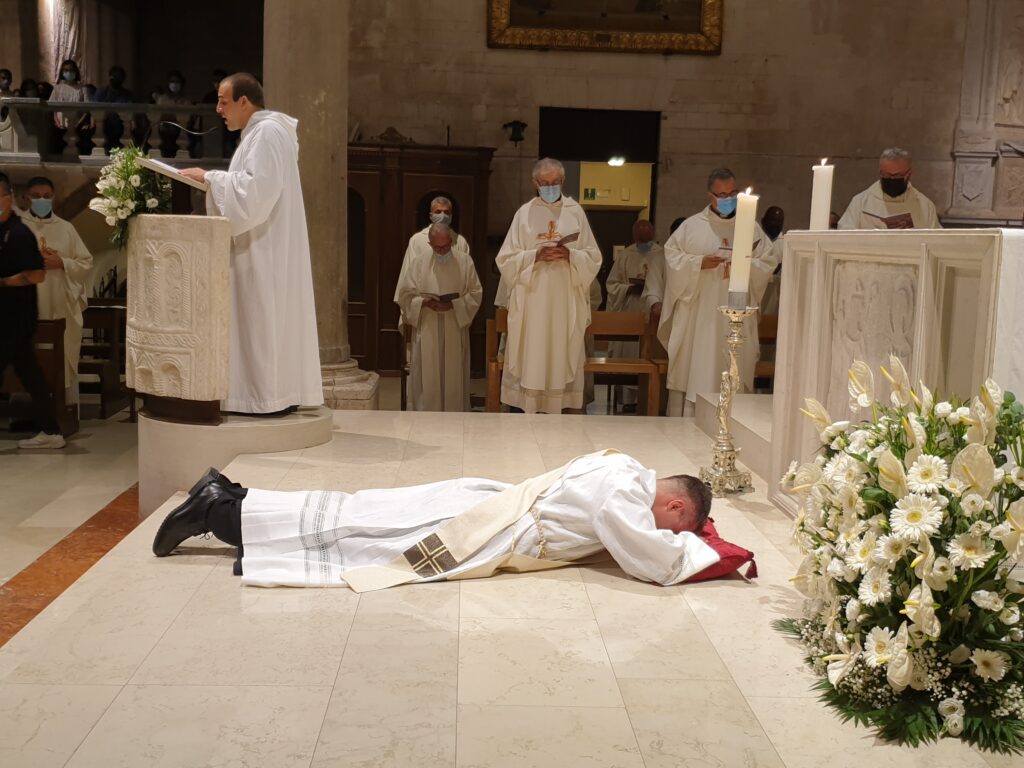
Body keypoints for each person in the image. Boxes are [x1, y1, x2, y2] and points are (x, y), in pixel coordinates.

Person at [151, 450, 720, 590]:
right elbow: (651, 561)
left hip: (493, 504)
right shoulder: (624, 496)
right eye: (673, 525)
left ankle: (232, 499)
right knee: (367, 539)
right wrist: (704, 551)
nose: (663, 531)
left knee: (358, 513)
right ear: (674, 505)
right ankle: (219, 511)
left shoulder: (623, 464)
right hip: (490, 527)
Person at [179, 73, 323, 416]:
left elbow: (256, 193)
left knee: (261, 320)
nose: (218, 109)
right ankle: (266, 394)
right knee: (263, 321)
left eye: (223, 101)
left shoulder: (268, 133)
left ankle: (263, 397)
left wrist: (209, 177)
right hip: (261, 244)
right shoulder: (262, 133)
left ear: (244, 101)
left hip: (262, 247)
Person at [654, 168, 777, 416]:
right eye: (722, 195)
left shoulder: (750, 228)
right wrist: (698, 263)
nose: (728, 199)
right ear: (710, 196)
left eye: (732, 193)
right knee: (698, 364)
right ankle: (690, 420)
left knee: (733, 365)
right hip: (700, 317)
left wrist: (743, 265)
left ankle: (732, 422)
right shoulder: (691, 227)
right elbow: (672, 258)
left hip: (735, 311)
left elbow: (768, 261)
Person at [496, 157, 602, 413]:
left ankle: (559, 406)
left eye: (555, 182)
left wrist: (570, 255)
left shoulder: (576, 213)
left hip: (564, 299)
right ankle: (529, 405)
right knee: (533, 350)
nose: (550, 187)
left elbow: (593, 257)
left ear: (563, 181)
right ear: (535, 183)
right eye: (544, 183)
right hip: (532, 299)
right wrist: (535, 255)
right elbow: (505, 259)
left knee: (560, 348)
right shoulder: (524, 214)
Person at [0, 175, 65, 449]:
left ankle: (52, 431)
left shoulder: (19, 233)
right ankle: (51, 431)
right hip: (6, 318)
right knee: (30, 373)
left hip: (15, 318)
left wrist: (7, 282)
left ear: (8, 198)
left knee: (28, 372)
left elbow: (38, 274)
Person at [394, 222, 482, 411]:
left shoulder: (465, 261)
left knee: (453, 373)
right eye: (437, 248)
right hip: (427, 325)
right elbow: (405, 295)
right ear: (430, 244)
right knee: (428, 372)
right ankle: (425, 413)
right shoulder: (419, 263)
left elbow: (476, 293)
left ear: (451, 241)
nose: (441, 252)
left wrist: (454, 304)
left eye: (445, 247)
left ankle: (454, 413)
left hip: (454, 324)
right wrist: (423, 302)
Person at [21, 176, 93, 406]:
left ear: (54, 197)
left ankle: (63, 408)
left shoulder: (66, 228)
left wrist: (62, 262)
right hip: (25, 305)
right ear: (26, 198)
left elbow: (85, 262)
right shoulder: (17, 227)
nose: (42, 200)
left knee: (60, 355)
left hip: (60, 305)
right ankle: (23, 410)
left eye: (46, 196)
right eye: (36, 196)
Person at [606, 219, 663, 411]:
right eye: (640, 235)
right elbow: (612, 284)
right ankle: (629, 400)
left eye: (646, 235)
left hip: (652, 311)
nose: (643, 239)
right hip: (631, 308)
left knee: (650, 352)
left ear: (653, 234)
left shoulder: (661, 255)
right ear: (634, 235)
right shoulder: (625, 255)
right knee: (629, 352)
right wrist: (629, 288)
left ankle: (649, 398)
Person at [838, 147, 941, 230]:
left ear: (909, 174)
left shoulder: (925, 206)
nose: (892, 179)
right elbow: (844, 235)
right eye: (887, 175)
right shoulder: (860, 202)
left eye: (897, 176)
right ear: (880, 172)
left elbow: (936, 241)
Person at [94, 65, 136, 152]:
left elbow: (131, 113)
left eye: (119, 77)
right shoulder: (101, 92)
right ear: (109, 77)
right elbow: (95, 110)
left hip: (120, 126)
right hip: (105, 125)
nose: (116, 79)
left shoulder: (127, 95)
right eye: (114, 76)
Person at [759, 206, 785, 316]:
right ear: (763, 221)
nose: (775, 224)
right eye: (772, 220)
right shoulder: (754, 239)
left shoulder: (786, 245)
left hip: (774, 297)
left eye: (779, 221)